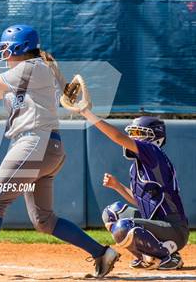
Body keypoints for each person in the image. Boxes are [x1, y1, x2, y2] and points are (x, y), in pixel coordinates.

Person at [0, 24, 120, 281]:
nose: (3, 54)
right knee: (44, 220)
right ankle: (102, 253)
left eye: (6, 48)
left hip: (34, 144)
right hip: (47, 150)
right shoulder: (23, 74)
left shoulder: (33, 67)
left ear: (21, 47)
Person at [79, 110, 189, 270]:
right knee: (111, 213)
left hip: (173, 229)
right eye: (133, 133)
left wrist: (87, 114)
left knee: (122, 228)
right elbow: (139, 201)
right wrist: (117, 186)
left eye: (139, 133)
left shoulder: (153, 151)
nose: (133, 138)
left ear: (155, 138)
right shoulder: (136, 167)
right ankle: (147, 257)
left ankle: (168, 256)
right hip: (157, 224)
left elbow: (117, 137)